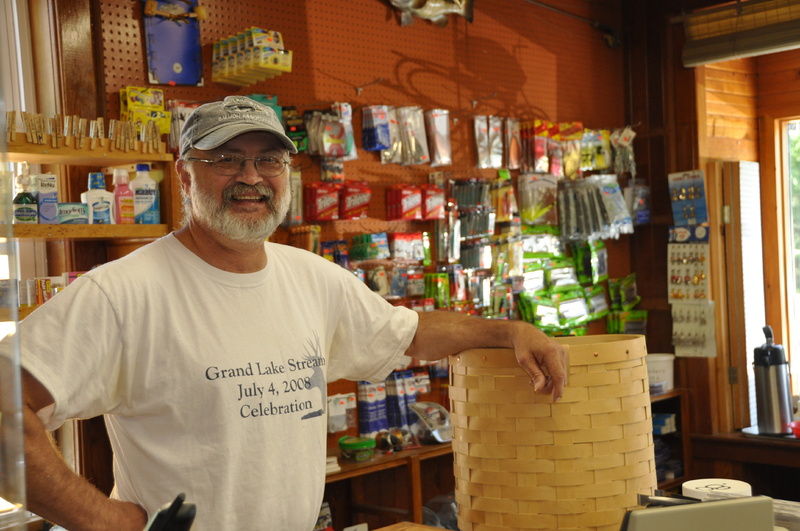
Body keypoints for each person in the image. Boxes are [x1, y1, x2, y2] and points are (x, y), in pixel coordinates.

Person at [14, 95, 568, 531]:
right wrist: (105, 523)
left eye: (268, 160)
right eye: (225, 159)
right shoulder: (123, 293)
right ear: (184, 174)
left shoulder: (312, 277)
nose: (251, 177)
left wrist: (508, 330)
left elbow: (411, 333)